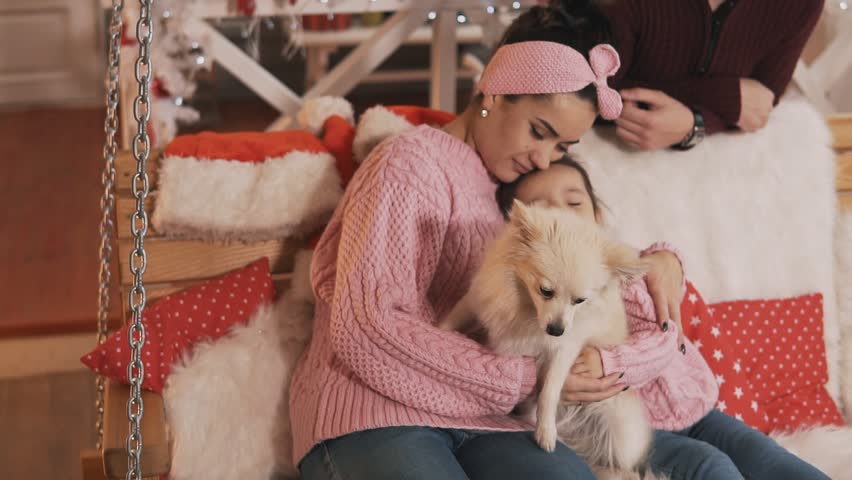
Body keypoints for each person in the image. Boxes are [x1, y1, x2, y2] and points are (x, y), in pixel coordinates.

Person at [288, 3, 685, 479]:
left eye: (561, 148)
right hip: (371, 409)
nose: (544, 159)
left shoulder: (515, 195)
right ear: (493, 93)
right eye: (540, 132)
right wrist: (524, 377)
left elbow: (586, 277)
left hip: (484, 417)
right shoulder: (407, 162)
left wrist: (662, 260)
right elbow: (367, 328)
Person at [496, 156, 831, 479]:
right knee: (708, 466)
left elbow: (663, 332)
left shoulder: (625, 267)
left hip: (694, 407)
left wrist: (612, 360)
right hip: (635, 423)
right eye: (543, 206)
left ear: (598, 215)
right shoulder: (536, 292)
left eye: (574, 203)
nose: (561, 215)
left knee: (766, 455)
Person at [598, 0, 825, 150]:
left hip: (712, 187)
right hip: (597, 166)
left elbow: (760, 104)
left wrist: (694, 125)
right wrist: (724, 98)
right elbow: (587, 87)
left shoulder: (801, 4)